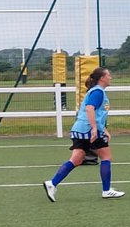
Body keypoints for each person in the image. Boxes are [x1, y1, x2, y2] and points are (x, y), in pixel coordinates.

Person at [43, 66, 124, 201]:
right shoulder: (98, 92)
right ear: (102, 78)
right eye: (109, 75)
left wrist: (104, 130)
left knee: (76, 159)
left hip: (79, 130)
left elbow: (97, 115)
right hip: (88, 130)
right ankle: (106, 190)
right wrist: (94, 129)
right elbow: (89, 109)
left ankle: (52, 183)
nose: (111, 77)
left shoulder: (96, 91)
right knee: (106, 157)